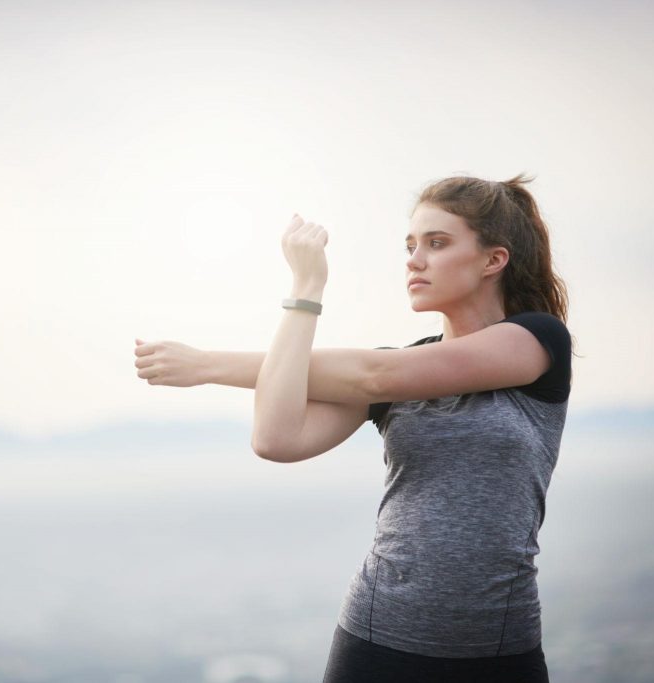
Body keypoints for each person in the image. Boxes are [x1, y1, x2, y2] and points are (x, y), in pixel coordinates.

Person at [133, 173, 572, 682]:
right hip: (377, 639)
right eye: (410, 245)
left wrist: (210, 364)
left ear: (493, 260)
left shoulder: (537, 340)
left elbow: (371, 372)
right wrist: (306, 288)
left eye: (437, 243)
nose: (413, 260)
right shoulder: (387, 377)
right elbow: (276, 438)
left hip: (500, 648)